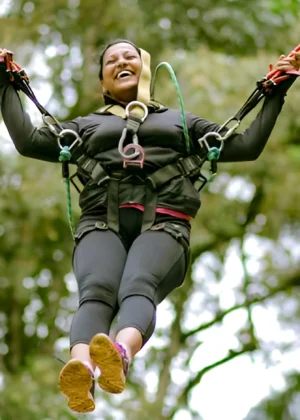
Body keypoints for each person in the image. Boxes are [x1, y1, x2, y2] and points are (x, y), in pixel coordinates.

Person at [0, 40, 299, 413]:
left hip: (164, 223)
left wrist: (277, 90)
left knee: (137, 284)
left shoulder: (182, 123)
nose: (121, 61)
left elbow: (248, 145)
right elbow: (28, 141)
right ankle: (80, 367)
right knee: (96, 291)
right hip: (101, 222)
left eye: (129, 56)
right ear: (103, 83)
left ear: (145, 70)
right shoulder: (87, 126)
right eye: (111, 60)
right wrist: (5, 83)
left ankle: (119, 353)